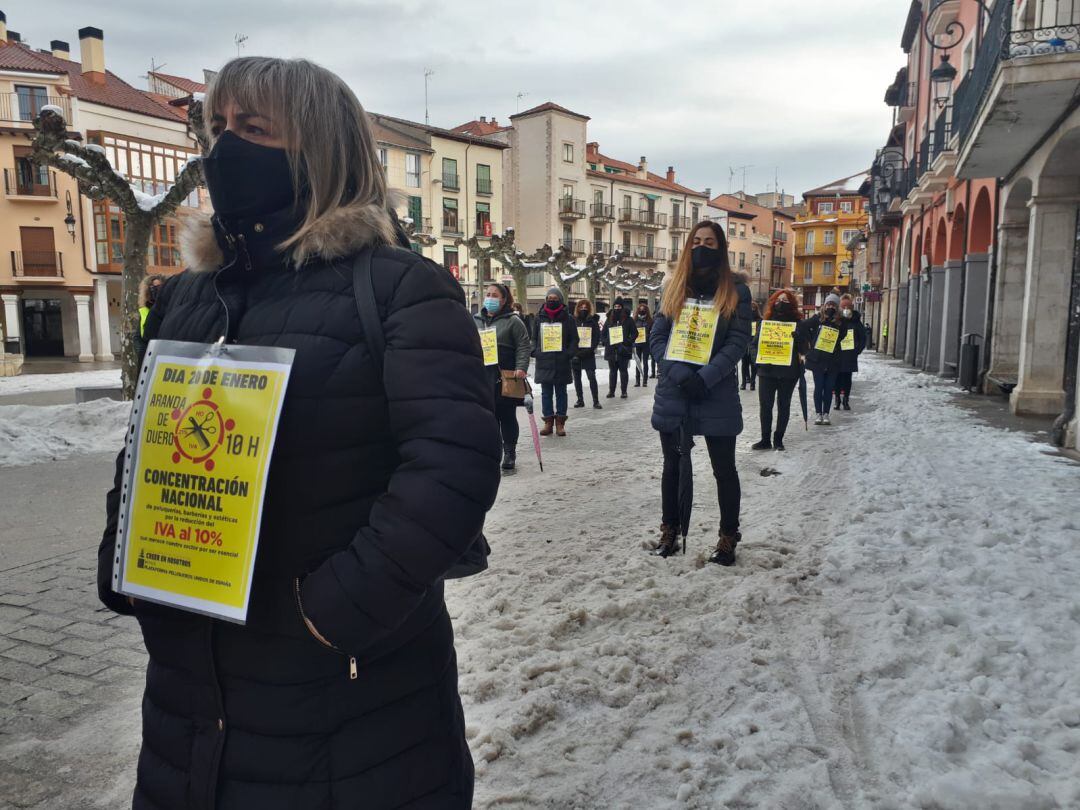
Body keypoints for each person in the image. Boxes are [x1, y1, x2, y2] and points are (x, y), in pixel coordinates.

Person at [96, 57, 500, 810]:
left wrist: (333, 613)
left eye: (253, 128)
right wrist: (127, 557)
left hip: (347, 700)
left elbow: (452, 468)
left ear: (319, 150)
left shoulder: (400, 287)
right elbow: (148, 442)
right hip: (191, 696)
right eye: (218, 127)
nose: (225, 147)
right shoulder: (185, 296)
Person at [649, 221, 752, 565]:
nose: (702, 246)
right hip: (674, 391)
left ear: (720, 248)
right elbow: (657, 337)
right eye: (696, 241)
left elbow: (738, 342)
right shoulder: (674, 286)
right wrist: (677, 373)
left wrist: (706, 378)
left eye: (709, 241)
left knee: (724, 469)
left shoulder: (736, 290)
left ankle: (727, 536)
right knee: (672, 467)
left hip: (715, 393)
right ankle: (670, 529)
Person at [475, 282, 533, 470]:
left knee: (506, 416)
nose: (490, 298)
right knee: (487, 418)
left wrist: (521, 367)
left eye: (495, 295)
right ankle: (492, 451)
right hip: (482, 377)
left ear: (504, 299)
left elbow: (524, 345)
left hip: (505, 376)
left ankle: (509, 452)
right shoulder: (476, 319)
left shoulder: (513, 321)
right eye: (488, 294)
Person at [751, 289, 806, 451]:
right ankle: (765, 439)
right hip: (767, 371)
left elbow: (805, 350)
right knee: (765, 405)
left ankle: (778, 439)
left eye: (786, 301)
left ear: (792, 304)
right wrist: (759, 361)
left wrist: (799, 339)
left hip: (788, 373)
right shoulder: (764, 323)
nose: (781, 303)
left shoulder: (798, 324)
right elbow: (753, 345)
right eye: (778, 300)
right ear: (773, 302)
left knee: (784, 405)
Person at [533, 286, 578, 436]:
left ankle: (560, 422)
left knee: (561, 393)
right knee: (545, 394)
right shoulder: (539, 318)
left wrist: (568, 353)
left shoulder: (568, 318)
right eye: (549, 299)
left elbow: (574, 339)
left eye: (555, 299)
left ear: (560, 300)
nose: (552, 301)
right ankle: (548, 422)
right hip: (544, 361)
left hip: (561, 361)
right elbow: (533, 338)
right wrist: (535, 351)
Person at [800, 292, 847, 425]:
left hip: (833, 360)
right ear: (824, 304)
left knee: (828, 388)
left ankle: (826, 413)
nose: (830, 306)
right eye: (828, 304)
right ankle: (818, 413)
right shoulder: (817, 318)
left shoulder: (840, 321)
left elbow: (843, 335)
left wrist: (835, 321)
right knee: (818, 387)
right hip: (817, 360)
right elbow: (803, 326)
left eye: (833, 304)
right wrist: (811, 340)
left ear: (837, 307)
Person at [834, 293, 867, 411]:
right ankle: (837, 399)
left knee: (847, 379)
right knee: (836, 378)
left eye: (848, 306)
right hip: (837, 355)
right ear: (840, 307)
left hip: (849, 355)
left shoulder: (856, 322)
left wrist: (857, 351)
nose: (846, 309)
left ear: (852, 307)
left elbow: (863, 337)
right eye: (843, 306)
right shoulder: (836, 320)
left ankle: (846, 400)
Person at [602, 297, 638, 398]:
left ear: (622, 307)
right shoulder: (609, 319)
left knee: (623, 371)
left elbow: (635, 333)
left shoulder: (628, 319)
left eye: (619, 306)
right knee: (612, 372)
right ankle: (611, 391)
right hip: (611, 350)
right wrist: (606, 342)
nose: (617, 308)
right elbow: (603, 333)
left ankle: (624, 391)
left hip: (623, 349)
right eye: (615, 306)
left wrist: (628, 342)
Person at [572, 298, 603, 409]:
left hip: (588, 354)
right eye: (581, 307)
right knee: (577, 378)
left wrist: (588, 350)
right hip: (576, 354)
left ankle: (596, 400)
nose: (583, 309)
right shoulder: (573, 321)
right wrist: (575, 352)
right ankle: (580, 400)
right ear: (578, 308)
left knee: (591, 377)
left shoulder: (593, 322)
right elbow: (570, 338)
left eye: (586, 308)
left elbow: (596, 338)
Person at [133, 273, 166, 359]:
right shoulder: (145, 310)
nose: (155, 290)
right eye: (152, 288)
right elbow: (138, 337)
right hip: (148, 357)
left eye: (159, 287)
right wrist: (142, 352)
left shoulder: (170, 308)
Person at [740, 300, 762, 391]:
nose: (752, 310)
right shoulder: (744, 320)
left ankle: (753, 383)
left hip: (754, 344)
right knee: (744, 364)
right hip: (745, 344)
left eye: (754, 308)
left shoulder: (760, 321)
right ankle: (743, 383)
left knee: (753, 365)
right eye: (750, 308)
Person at [634, 300, 654, 387]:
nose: (642, 310)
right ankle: (637, 380)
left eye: (643, 309)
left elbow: (653, 332)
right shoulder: (635, 320)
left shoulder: (650, 320)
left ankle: (645, 380)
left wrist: (647, 335)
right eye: (640, 309)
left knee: (645, 362)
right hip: (637, 343)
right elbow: (632, 331)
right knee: (638, 362)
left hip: (646, 343)